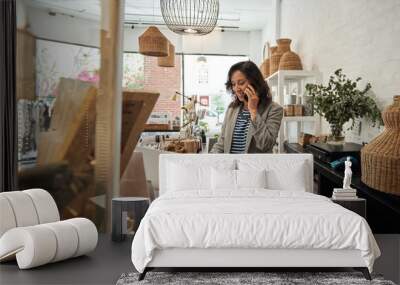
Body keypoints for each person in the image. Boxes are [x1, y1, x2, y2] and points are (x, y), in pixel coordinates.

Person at [211, 60, 283, 153]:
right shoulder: (232, 108)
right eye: (233, 84)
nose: (236, 88)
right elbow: (222, 143)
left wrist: (253, 111)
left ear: (254, 83)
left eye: (241, 83)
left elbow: (266, 145)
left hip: (254, 167)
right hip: (231, 166)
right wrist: (209, 160)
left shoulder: (274, 109)